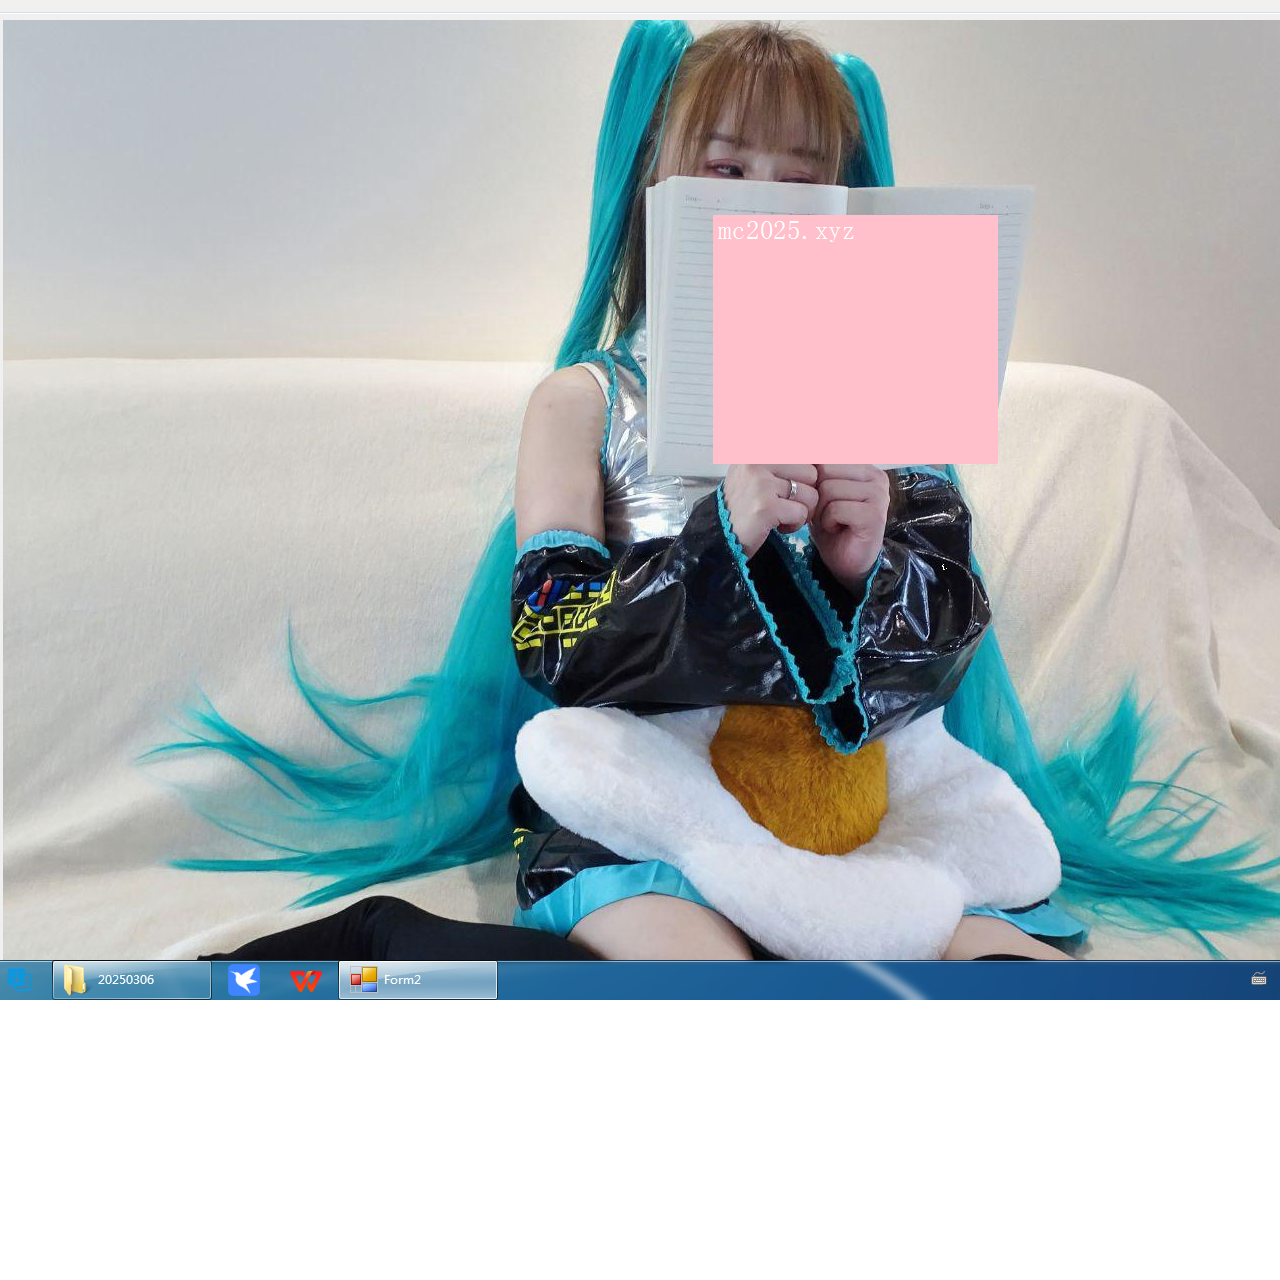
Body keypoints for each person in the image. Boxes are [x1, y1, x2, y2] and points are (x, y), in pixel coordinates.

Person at [144, 19, 1280, 963]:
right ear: (656, 189)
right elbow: (551, 640)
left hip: (871, 810)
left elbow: (944, 661)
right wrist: (716, 543)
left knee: (1015, 969)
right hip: (648, 810)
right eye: (727, 170)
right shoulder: (583, 403)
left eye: (802, 176)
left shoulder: (892, 399)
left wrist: (864, 565)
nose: (763, 203)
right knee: (691, 972)